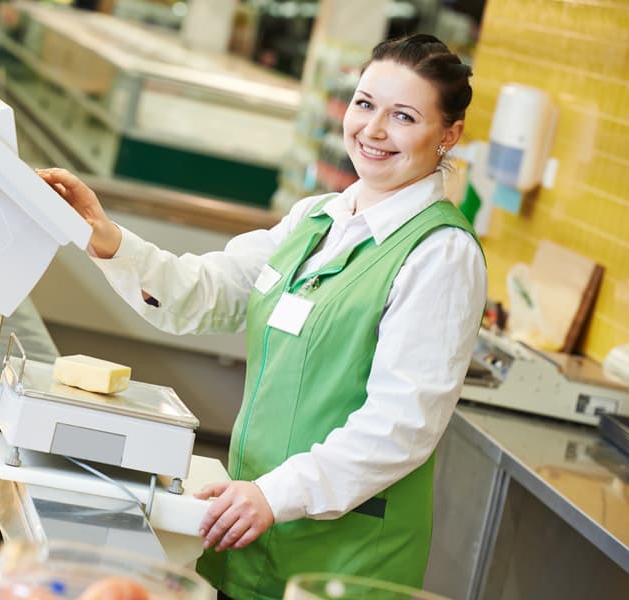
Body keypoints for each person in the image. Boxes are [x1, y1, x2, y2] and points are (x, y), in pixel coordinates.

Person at [38, 33, 487, 600]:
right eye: (365, 104)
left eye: (403, 116)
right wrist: (103, 237)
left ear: (448, 135)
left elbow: (402, 425)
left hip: (340, 563)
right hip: (253, 531)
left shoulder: (441, 254)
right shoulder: (316, 218)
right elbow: (206, 292)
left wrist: (277, 494)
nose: (373, 130)